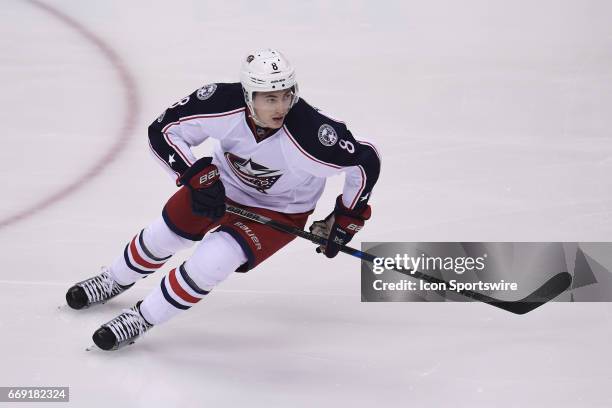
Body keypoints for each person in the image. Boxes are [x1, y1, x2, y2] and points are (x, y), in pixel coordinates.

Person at [65, 48, 381, 351]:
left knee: (213, 261)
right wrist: (194, 175)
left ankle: (141, 318)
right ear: (248, 96)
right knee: (164, 234)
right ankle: (114, 279)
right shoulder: (220, 101)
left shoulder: (313, 134)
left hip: (280, 211)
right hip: (220, 185)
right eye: (270, 98)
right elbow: (163, 130)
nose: (281, 106)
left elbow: (365, 161)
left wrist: (344, 219)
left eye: (287, 94)